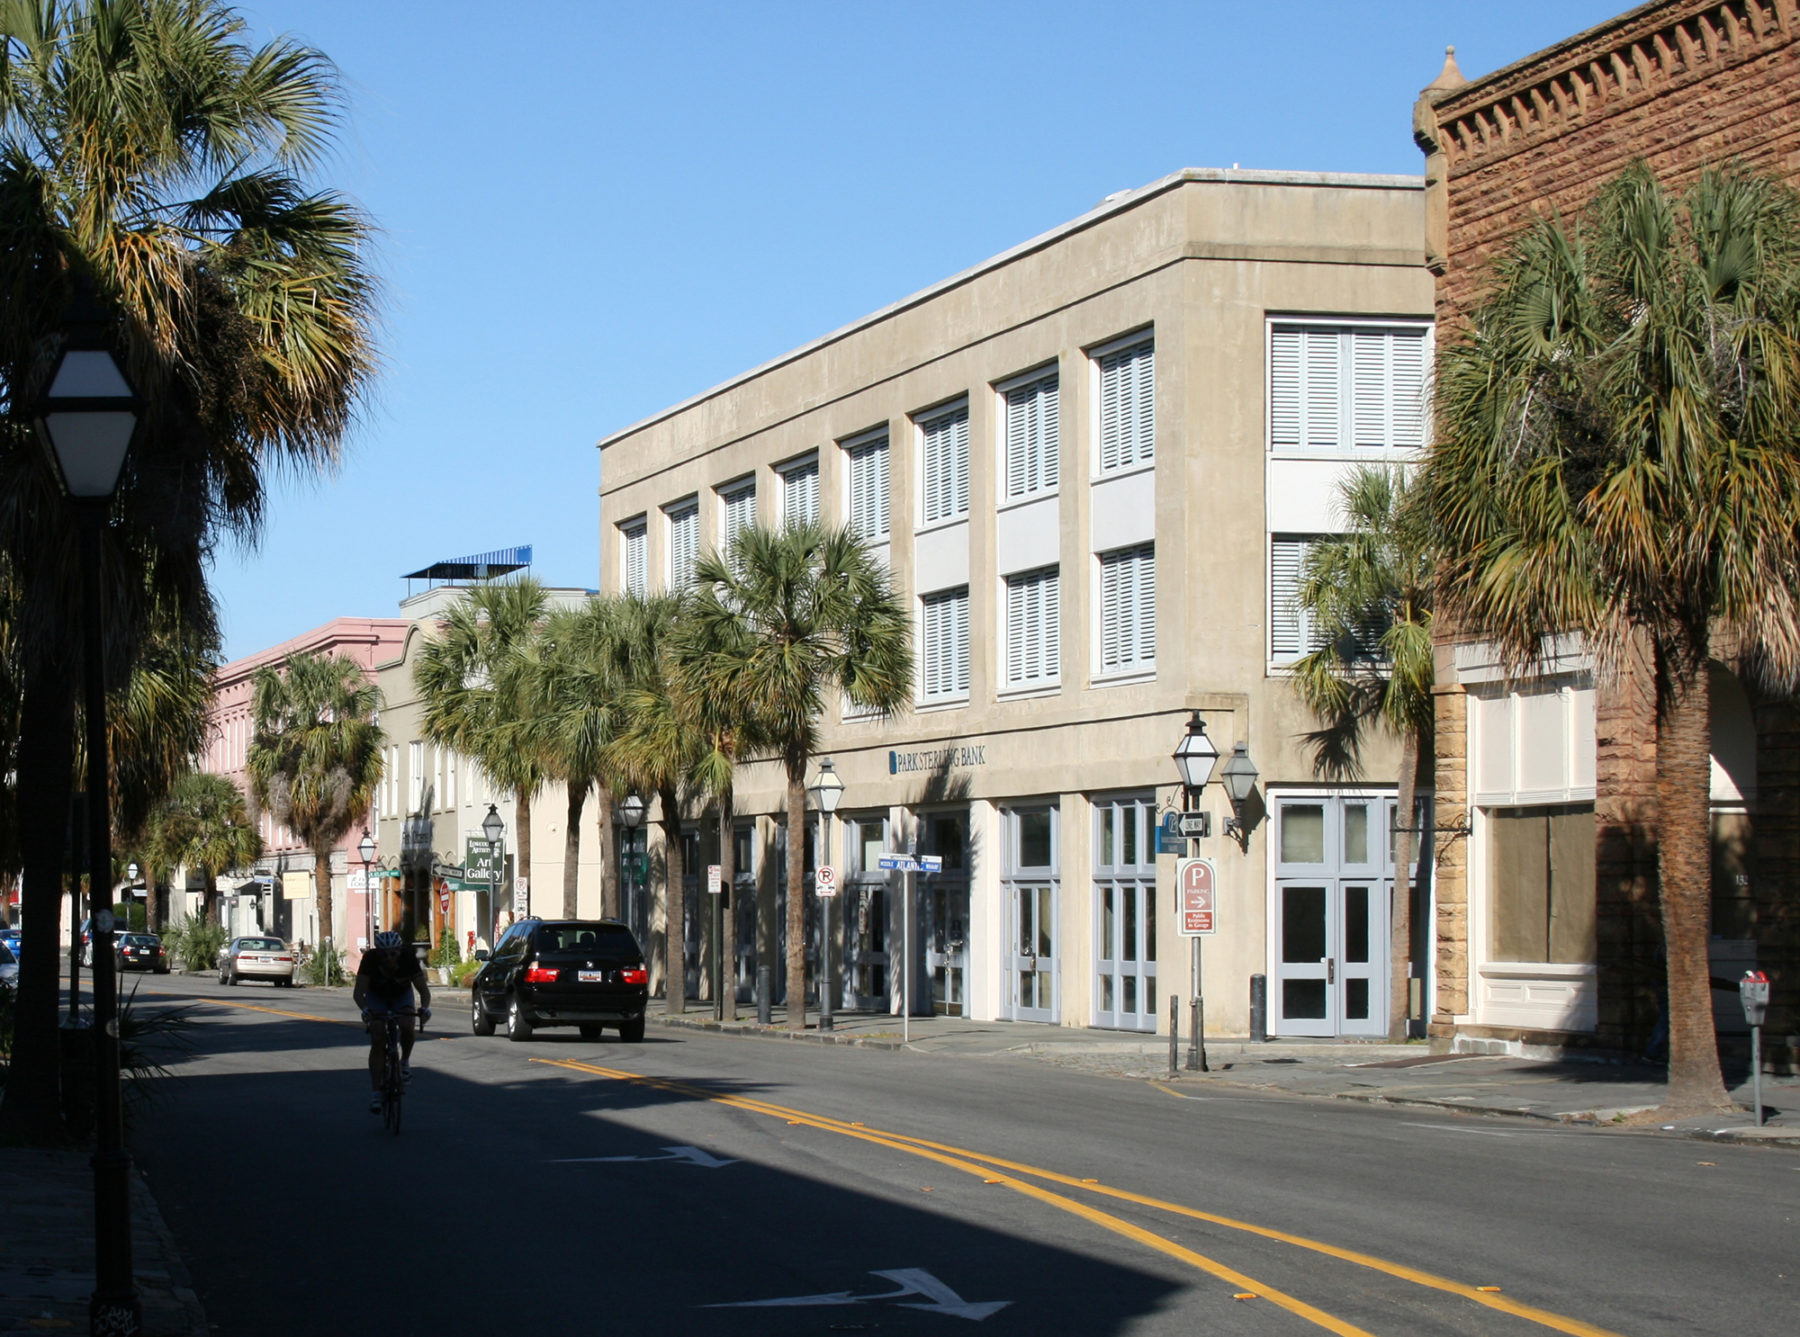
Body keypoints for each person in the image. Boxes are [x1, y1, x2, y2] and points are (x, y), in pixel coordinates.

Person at [352, 930, 431, 1114]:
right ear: (378, 953)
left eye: (393, 953)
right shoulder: (370, 960)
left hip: (401, 995)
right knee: (378, 1037)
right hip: (377, 996)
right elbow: (358, 993)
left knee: (407, 1025)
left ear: (400, 951)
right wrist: (366, 1011)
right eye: (384, 954)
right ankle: (376, 1093)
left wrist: (425, 1009)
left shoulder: (408, 959)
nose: (389, 958)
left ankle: (404, 1062)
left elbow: (424, 992)